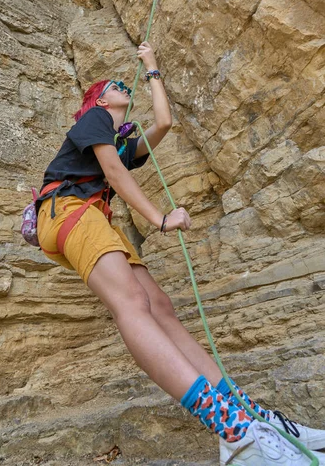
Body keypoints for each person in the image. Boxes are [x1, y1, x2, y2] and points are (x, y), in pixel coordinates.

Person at [36, 42, 325, 465]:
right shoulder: (94, 119)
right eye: (115, 85)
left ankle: (250, 418)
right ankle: (233, 431)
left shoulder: (115, 141)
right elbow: (113, 175)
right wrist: (160, 218)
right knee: (133, 303)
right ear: (99, 100)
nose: (122, 86)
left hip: (89, 217)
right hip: (68, 211)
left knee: (159, 305)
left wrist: (151, 69)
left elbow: (163, 125)